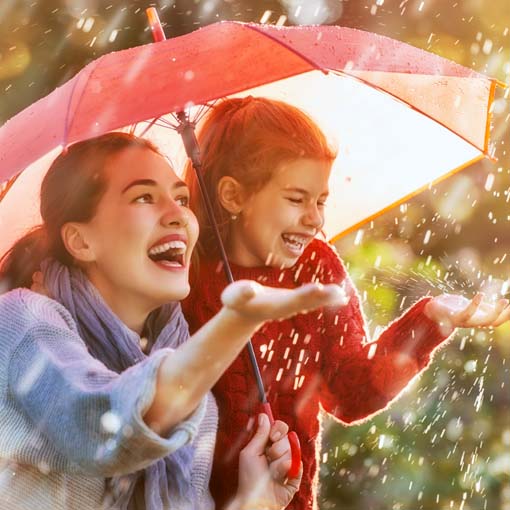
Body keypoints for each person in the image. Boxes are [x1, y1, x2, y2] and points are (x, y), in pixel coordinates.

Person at [182, 96, 510, 510]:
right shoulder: (186, 280)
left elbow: (351, 393)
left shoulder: (317, 268)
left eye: (320, 201)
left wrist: (428, 321)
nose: (315, 220)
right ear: (232, 196)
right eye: (296, 199)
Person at [0, 132, 346, 510]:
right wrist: (238, 322)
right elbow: (106, 431)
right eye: (144, 197)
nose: (179, 215)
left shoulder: (190, 391)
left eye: (182, 199)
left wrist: (255, 501)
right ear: (81, 242)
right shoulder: (24, 323)